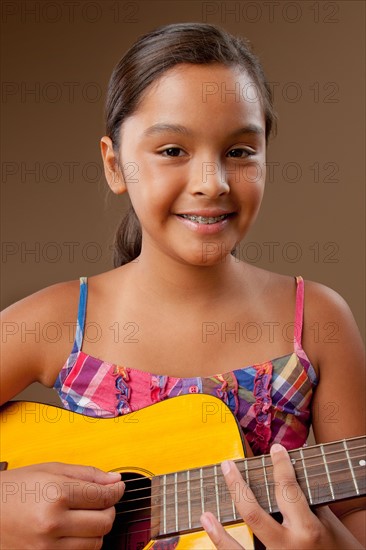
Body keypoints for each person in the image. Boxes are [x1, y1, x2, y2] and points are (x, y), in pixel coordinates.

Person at [0, 22, 365, 550]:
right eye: (172, 150)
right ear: (114, 164)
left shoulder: (318, 321)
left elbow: (357, 520)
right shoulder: (59, 320)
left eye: (240, 151)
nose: (211, 181)